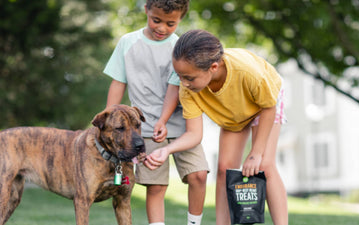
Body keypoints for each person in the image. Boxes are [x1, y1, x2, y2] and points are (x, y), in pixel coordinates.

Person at [144, 29, 289, 225]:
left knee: (264, 165)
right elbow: (194, 134)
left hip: (265, 105)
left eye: (189, 78)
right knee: (224, 170)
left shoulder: (248, 73)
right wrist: (167, 150)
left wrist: (256, 152)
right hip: (233, 114)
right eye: (180, 76)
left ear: (213, 67)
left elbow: (268, 107)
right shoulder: (189, 89)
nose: (183, 83)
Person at [103, 2, 209, 225]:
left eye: (170, 23)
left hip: (181, 126)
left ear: (180, 19)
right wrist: (108, 119)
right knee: (157, 186)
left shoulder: (180, 47)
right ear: (146, 11)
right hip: (147, 128)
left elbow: (174, 87)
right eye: (156, 20)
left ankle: (194, 223)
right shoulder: (128, 43)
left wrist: (164, 119)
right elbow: (118, 83)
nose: (161, 28)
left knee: (198, 175)